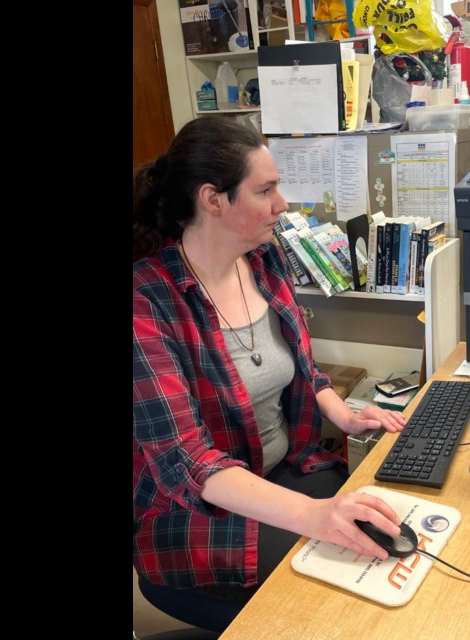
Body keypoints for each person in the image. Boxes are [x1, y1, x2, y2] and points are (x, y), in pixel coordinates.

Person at [133, 117, 408, 631]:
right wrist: (314, 516)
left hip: (285, 470)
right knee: (344, 605)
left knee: (389, 528)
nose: (283, 204)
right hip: (197, 517)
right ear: (214, 200)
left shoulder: (263, 258)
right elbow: (186, 461)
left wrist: (341, 414)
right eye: (266, 189)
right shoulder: (145, 303)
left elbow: (303, 368)